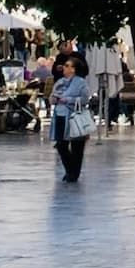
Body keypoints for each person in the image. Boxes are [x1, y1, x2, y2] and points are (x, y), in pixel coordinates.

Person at [49, 54, 94, 183]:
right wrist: (53, 98)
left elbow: (85, 99)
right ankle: (70, 170)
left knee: (77, 146)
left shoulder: (81, 83)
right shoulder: (60, 82)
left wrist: (67, 100)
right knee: (61, 145)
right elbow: (52, 97)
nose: (64, 67)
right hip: (60, 116)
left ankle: (74, 173)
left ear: (74, 69)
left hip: (74, 117)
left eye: (67, 66)